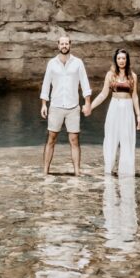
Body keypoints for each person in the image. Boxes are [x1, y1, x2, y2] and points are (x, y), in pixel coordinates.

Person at [40, 34, 92, 176]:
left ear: (70, 44)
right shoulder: (52, 63)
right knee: (51, 137)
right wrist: (44, 104)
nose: (64, 46)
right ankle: (45, 171)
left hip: (73, 106)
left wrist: (87, 103)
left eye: (66, 44)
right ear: (58, 45)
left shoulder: (78, 63)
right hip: (55, 106)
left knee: (74, 139)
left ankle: (77, 172)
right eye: (61, 44)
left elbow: (85, 84)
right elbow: (46, 85)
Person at [88, 47, 140, 176]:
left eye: (123, 58)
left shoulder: (133, 76)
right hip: (114, 108)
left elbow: (135, 96)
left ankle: (126, 172)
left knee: (127, 139)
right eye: (119, 58)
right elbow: (103, 94)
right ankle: (109, 170)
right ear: (115, 60)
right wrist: (90, 106)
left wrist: (138, 116)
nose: (121, 60)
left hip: (128, 109)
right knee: (110, 138)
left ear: (127, 60)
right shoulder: (110, 75)